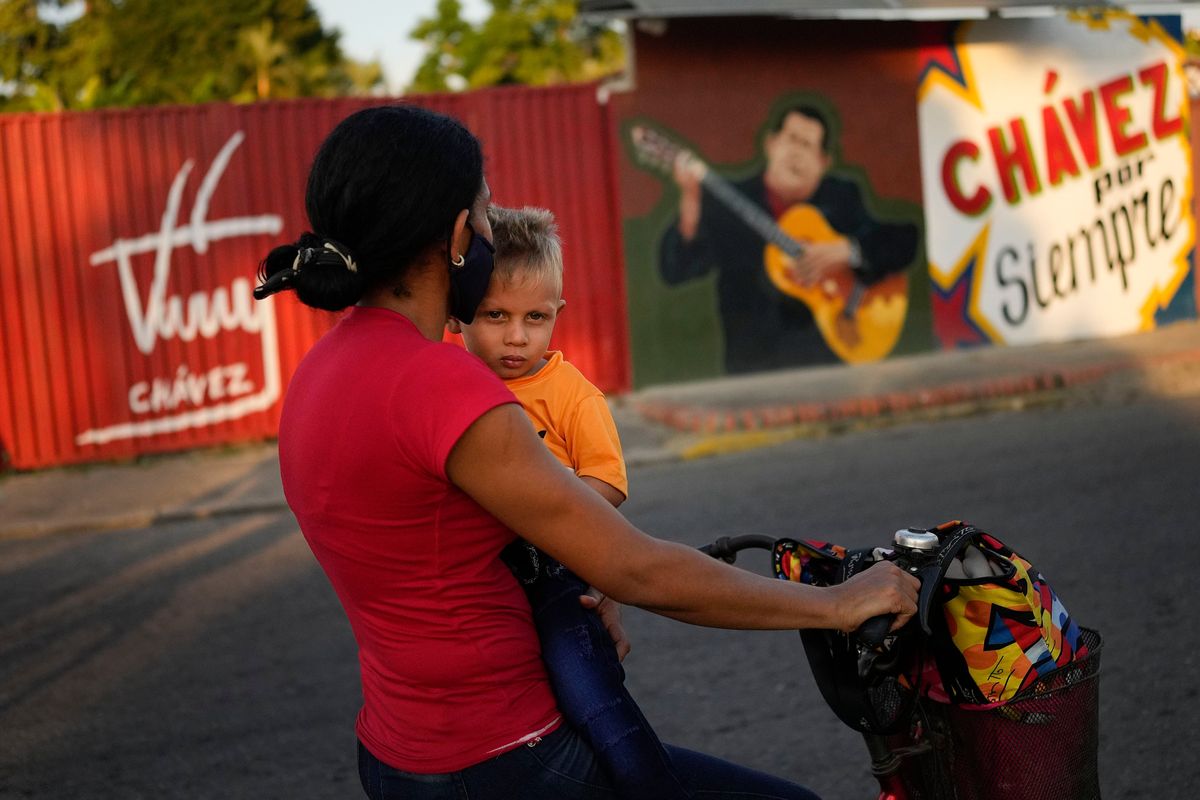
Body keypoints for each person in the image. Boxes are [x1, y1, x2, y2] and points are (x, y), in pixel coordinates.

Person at [255, 104, 918, 800]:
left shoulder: (319, 374)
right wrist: (837, 603)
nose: (488, 232)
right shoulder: (443, 385)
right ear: (457, 236)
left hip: (396, 758)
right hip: (507, 762)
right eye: (483, 215)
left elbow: (440, 547)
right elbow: (638, 569)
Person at [448, 204, 688, 799]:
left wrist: (541, 507)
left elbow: (607, 482)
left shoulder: (573, 396)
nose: (515, 335)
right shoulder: (450, 379)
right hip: (481, 586)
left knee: (597, 707)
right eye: (494, 315)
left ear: (558, 314)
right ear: (459, 317)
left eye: (535, 317)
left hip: (558, 579)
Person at [660, 103, 920, 373]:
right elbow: (675, 269)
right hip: (754, 371)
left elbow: (904, 241)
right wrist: (691, 198)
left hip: (830, 366)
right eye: (791, 139)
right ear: (771, 144)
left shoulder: (841, 198)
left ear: (823, 163)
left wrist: (848, 250)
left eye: (807, 145)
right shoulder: (731, 204)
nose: (796, 152)